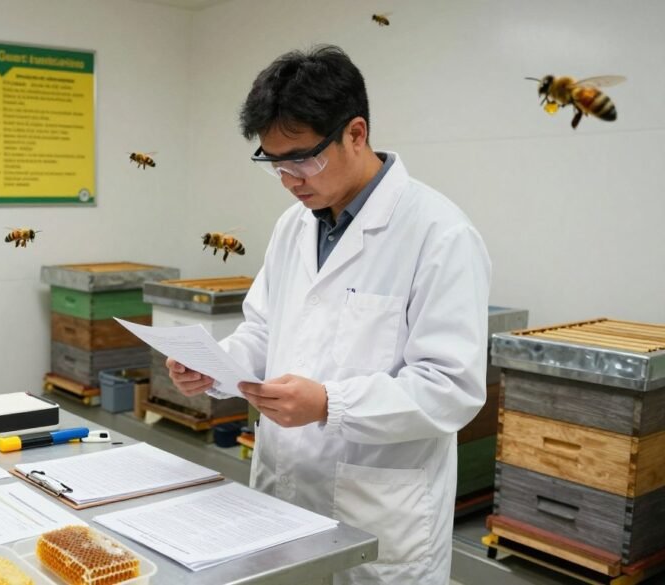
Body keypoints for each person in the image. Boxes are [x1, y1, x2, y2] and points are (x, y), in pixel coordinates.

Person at [166, 45, 491, 584]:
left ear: (356, 134)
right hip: (282, 493)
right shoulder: (293, 226)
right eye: (275, 164)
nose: (291, 178)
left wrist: (329, 404)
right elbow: (265, 330)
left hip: (380, 513)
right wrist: (218, 366)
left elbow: (450, 388)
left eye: (302, 158)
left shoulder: (440, 234)